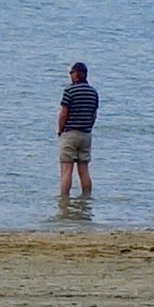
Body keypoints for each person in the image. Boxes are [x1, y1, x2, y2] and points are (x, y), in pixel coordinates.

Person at [55, 63, 97, 212]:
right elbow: (93, 115)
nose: (70, 75)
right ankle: (86, 200)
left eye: (71, 72)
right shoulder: (93, 92)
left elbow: (64, 113)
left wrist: (60, 130)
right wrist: (88, 127)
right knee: (84, 169)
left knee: (67, 169)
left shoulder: (70, 91)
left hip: (70, 133)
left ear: (77, 74)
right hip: (86, 134)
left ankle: (64, 201)